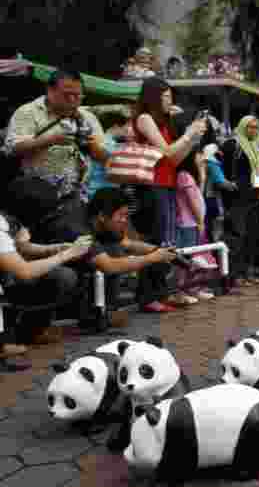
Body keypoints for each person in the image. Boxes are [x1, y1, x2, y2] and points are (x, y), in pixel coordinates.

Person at [131, 77, 207, 312]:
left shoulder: (163, 122)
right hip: (151, 185)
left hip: (166, 184)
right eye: (165, 97)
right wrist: (188, 134)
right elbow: (165, 154)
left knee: (166, 241)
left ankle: (161, 292)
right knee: (155, 240)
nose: (169, 101)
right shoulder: (144, 119)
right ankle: (147, 296)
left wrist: (192, 135)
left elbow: (175, 158)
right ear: (154, 97)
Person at [5, 69, 107, 204]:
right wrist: (50, 140)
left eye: (77, 95)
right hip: (32, 194)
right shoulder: (28, 112)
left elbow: (103, 157)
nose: (72, 99)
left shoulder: (87, 117)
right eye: (67, 95)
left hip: (73, 195)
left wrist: (89, 144)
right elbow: (12, 148)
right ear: (50, 90)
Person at [84, 188, 179, 321]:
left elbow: (129, 244)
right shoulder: (82, 230)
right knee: (114, 254)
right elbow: (108, 265)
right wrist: (153, 257)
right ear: (102, 216)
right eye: (121, 215)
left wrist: (163, 251)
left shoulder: (106, 225)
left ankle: (109, 308)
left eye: (126, 216)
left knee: (118, 249)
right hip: (69, 275)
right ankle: (91, 314)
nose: (124, 221)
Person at [0, 211, 90, 352]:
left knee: (62, 275)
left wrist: (56, 248)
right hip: (11, 277)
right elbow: (25, 271)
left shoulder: (7, 216)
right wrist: (67, 254)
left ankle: (28, 331)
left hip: (10, 274)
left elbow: (22, 247)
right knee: (61, 275)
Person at [221, 116, 259, 287]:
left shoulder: (256, 147)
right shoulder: (233, 145)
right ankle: (235, 275)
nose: (253, 130)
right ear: (242, 127)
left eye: (256, 127)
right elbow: (224, 169)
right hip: (237, 197)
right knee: (237, 235)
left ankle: (248, 271)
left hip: (255, 195)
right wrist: (228, 187)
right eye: (249, 127)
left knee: (252, 234)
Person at [174, 149, 214, 302]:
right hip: (188, 224)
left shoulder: (190, 176)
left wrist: (202, 175)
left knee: (197, 257)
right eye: (199, 154)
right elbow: (193, 202)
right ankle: (181, 291)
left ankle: (194, 288)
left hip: (194, 223)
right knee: (187, 258)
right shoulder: (184, 175)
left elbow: (198, 196)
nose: (202, 157)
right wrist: (200, 221)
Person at [85, 111, 132, 202]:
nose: (127, 130)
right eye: (125, 127)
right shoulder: (109, 144)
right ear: (115, 126)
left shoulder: (101, 141)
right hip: (103, 190)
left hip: (94, 188)